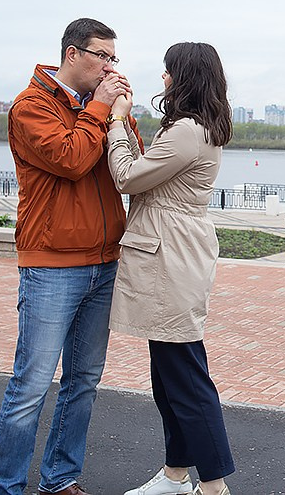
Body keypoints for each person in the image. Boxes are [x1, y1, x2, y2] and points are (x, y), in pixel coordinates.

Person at [0, 18, 142, 495]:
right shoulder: (30, 106)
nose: (109, 65)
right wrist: (100, 107)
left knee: (83, 383)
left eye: (114, 58)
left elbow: (129, 159)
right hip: (52, 263)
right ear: (72, 54)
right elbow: (72, 159)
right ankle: (6, 487)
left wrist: (120, 111)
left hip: (104, 260)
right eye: (101, 55)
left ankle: (60, 478)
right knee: (31, 385)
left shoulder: (100, 104)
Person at [106, 42, 236, 495]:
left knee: (185, 378)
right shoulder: (201, 126)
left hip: (170, 258)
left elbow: (126, 177)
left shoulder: (186, 130)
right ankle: (176, 476)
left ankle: (215, 487)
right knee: (169, 376)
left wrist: (117, 121)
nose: (162, 78)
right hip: (176, 253)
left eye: (167, 71)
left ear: (184, 77)